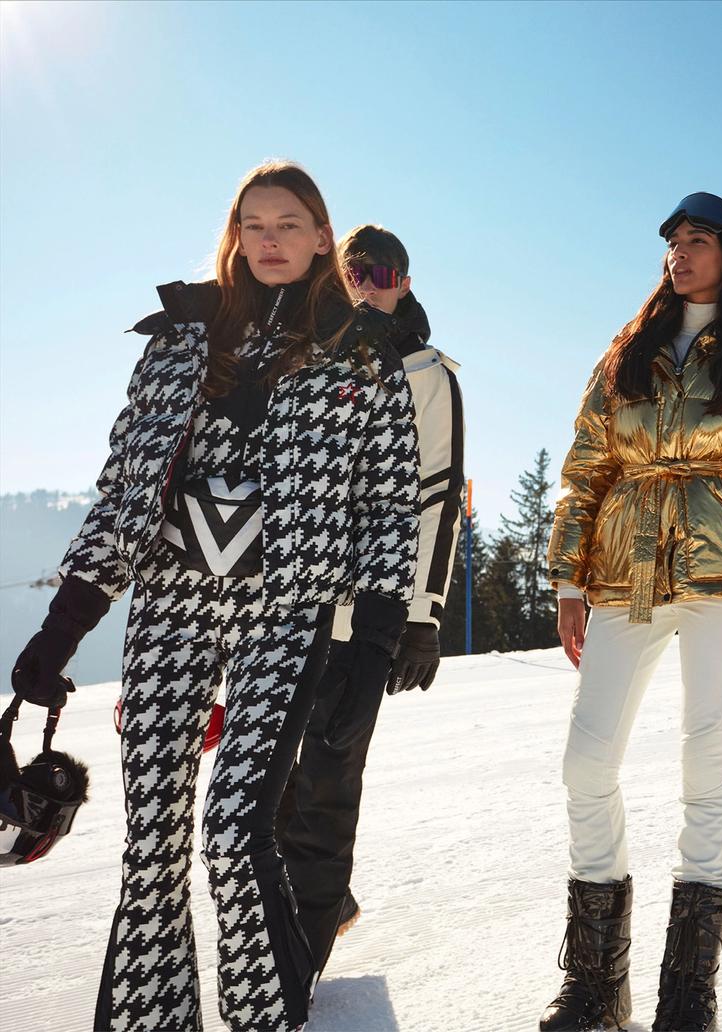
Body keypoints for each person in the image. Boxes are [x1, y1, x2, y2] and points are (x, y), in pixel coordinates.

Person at [9, 161, 419, 1032]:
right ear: (235, 235)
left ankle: (266, 1018)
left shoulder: (364, 354)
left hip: (286, 608)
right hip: (170, 601)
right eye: (253, 224)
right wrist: (60, 629)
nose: (270, 240)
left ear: (322, 237)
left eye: (289, 223)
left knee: (236, 832)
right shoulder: (177, 341)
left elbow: (390, 507)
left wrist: (377, 643)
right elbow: (123, 493)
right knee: (151, 841)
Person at [539, 192, 722, 1032]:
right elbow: (585, 466)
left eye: (698, 240)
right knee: (586, 761)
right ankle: (597, 984)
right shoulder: (626, 353)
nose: (680, 252)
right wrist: (567, 580)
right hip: (624, 573)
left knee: (708, 765)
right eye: (672, 240)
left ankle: (687, 993)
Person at [277, 224, 465, 985]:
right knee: (271, 780)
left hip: (369, 614)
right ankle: (315, 909)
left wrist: (423, 615)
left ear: (404, 285)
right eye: (354, 271)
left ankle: (299, 962)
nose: (366, 284)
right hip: (289, 606)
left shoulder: (426, 374)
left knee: (326, 783)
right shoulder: (306, 353)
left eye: (382, 274)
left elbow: (438, 498)